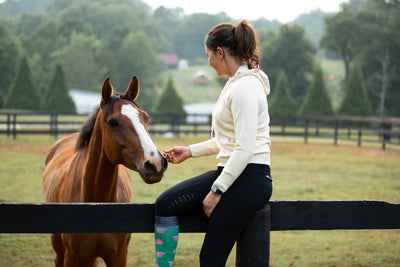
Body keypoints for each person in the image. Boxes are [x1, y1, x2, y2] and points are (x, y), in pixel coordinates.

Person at [154, 19, 273, 267]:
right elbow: (228, 141)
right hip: (233, 171)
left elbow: (245, 148)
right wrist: (189, 151)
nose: (207, 62)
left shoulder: (246, 87)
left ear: (220, 52)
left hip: (250, 178)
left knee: (210, 258)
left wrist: (216, 191)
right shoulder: (234, 84)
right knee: (165, 204)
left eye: (209, 55)